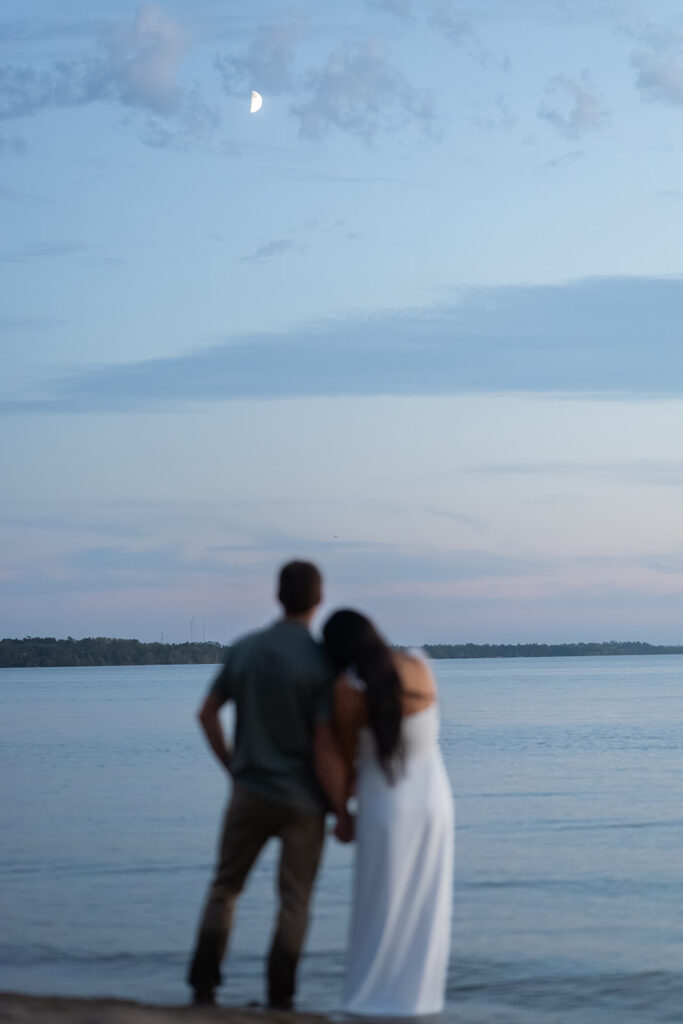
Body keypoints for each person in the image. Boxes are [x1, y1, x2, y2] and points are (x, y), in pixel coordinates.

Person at [187, 561, 349, 1009]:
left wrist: (233, 767)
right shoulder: (321, 662)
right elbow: (324, 747)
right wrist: (341, 810)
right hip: (304, 803)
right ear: (318, 600)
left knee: (226, 888)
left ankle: (203, 989)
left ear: (278, 596)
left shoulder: (245, 650)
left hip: (249, 793)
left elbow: (206, 714)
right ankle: (281, 996)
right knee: (294, 902)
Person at [323, 609, 454, 1017]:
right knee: (428, 909)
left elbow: (344, 763)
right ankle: (421, 1002)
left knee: (378, 906)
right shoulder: (420, 666)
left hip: (385, 808)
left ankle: (370, 1000)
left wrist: (341, 815)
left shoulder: (346, 691)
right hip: (435, 804)